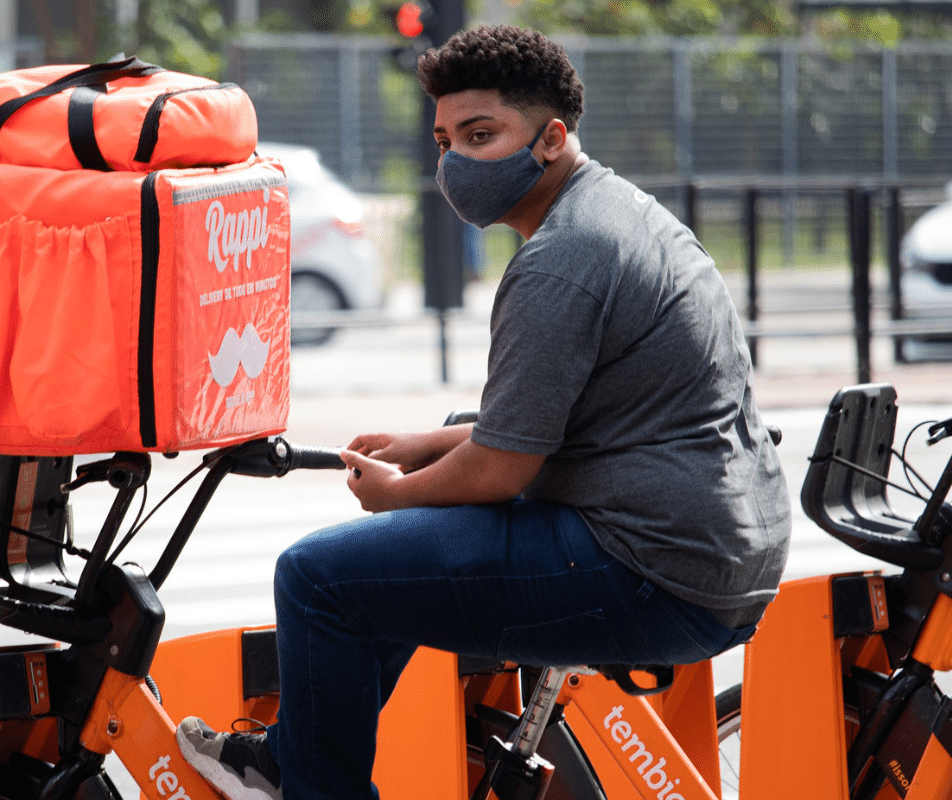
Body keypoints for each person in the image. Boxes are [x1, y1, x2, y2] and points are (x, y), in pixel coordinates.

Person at [177, 24, 791, 800]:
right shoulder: (623, 214)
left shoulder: (562, 261)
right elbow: (556, 420)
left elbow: (502, 469)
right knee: (389, 563)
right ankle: (297, 759)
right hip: (717, 557)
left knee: (317, 579)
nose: (457, 162)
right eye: (444, 141)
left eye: (481, 134)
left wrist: (397, 493)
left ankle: (305, 783)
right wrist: (425, 443)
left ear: (551, 137)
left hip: (650, 570)